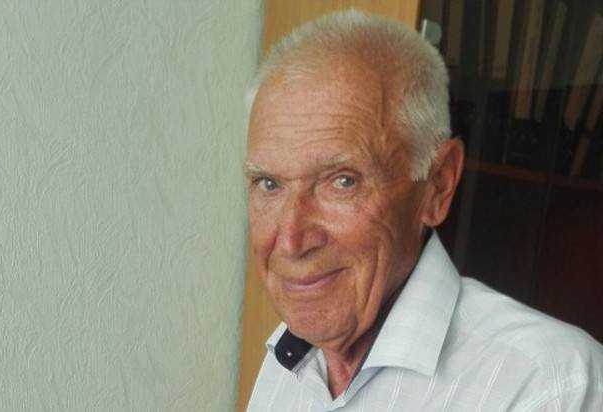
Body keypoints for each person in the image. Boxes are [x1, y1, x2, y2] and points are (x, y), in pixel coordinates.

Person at [244, 9, 603, 411]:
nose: (291, 241)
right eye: (269, 184)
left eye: (342, 181)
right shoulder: (287, 360)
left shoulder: (551, 385)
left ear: (437, 185)